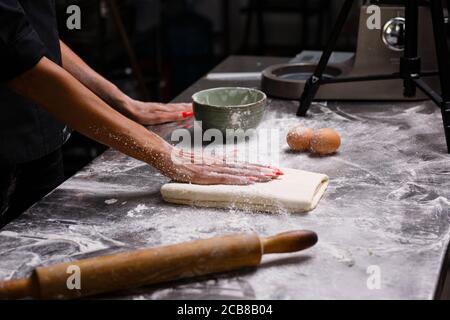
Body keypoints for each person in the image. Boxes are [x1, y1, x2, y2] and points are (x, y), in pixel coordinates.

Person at [0, 0, 280, 228]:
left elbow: (31, 37)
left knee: (44, 258)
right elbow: (24, 68)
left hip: (44, 141)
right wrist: (163, 152)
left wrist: (121, 101)